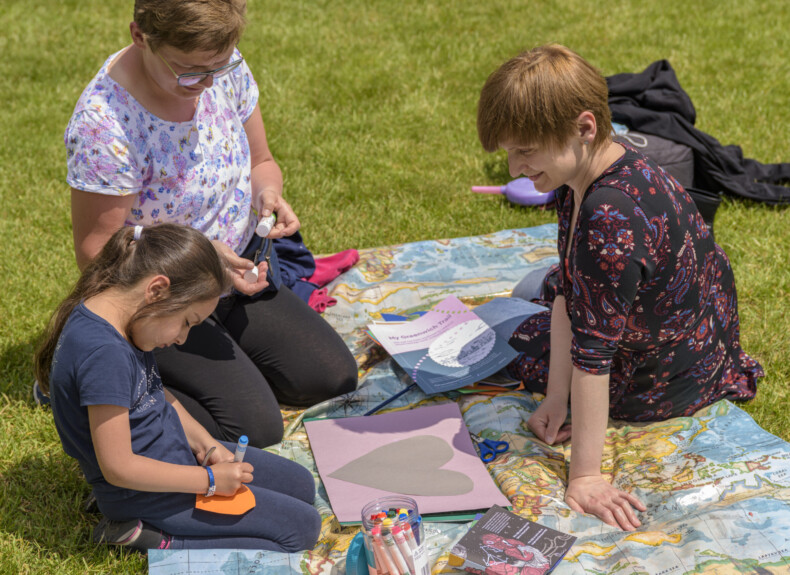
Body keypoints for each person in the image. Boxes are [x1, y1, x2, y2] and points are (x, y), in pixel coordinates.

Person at [476, 44, 763, 531]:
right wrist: (554, 398)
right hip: (692, 353)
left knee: (489, 323)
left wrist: (585, 476)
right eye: (509, 153)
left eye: (524, 150)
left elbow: (594, 357)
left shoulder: (609, 216)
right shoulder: (597, 168)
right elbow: (568, 292)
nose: (513, 169)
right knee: (531, 287)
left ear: (583, 128)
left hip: (654, 384)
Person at [62, 0, 357, 448]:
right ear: (140, 37)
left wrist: (267, 195)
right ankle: (90, 380)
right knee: (254, 428)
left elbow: (262, 160)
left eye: (217, 68)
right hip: (166, 296)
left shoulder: (222, 66)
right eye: (189, 72)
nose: (204, 84)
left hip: (237, 275)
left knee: (331, 377)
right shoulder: (105, 126)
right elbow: (96, 250)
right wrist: (197, 258)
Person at [33, 224, 321, 551]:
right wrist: (209, 482)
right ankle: (155, 537)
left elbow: (158, 396)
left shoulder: (123, 314)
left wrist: (207, 445)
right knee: (302, 530)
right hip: (146, 494)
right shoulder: (105, 355)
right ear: (157, 289)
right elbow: (118, 467)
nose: (182, 338)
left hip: (175, 462)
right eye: (187, 321)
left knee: (301, 485)